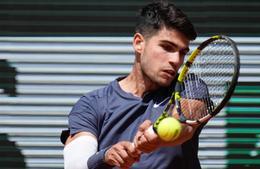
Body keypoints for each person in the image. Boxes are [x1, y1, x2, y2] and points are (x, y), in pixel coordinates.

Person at [61, 1, 210, 169]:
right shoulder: (92, 104)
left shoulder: (192, 86)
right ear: (139, 43)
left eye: (182, 53)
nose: (176, 60)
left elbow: (185, 125)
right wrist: (106, 156)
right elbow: (75, 164)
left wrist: (157, 134)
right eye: (167, 47)